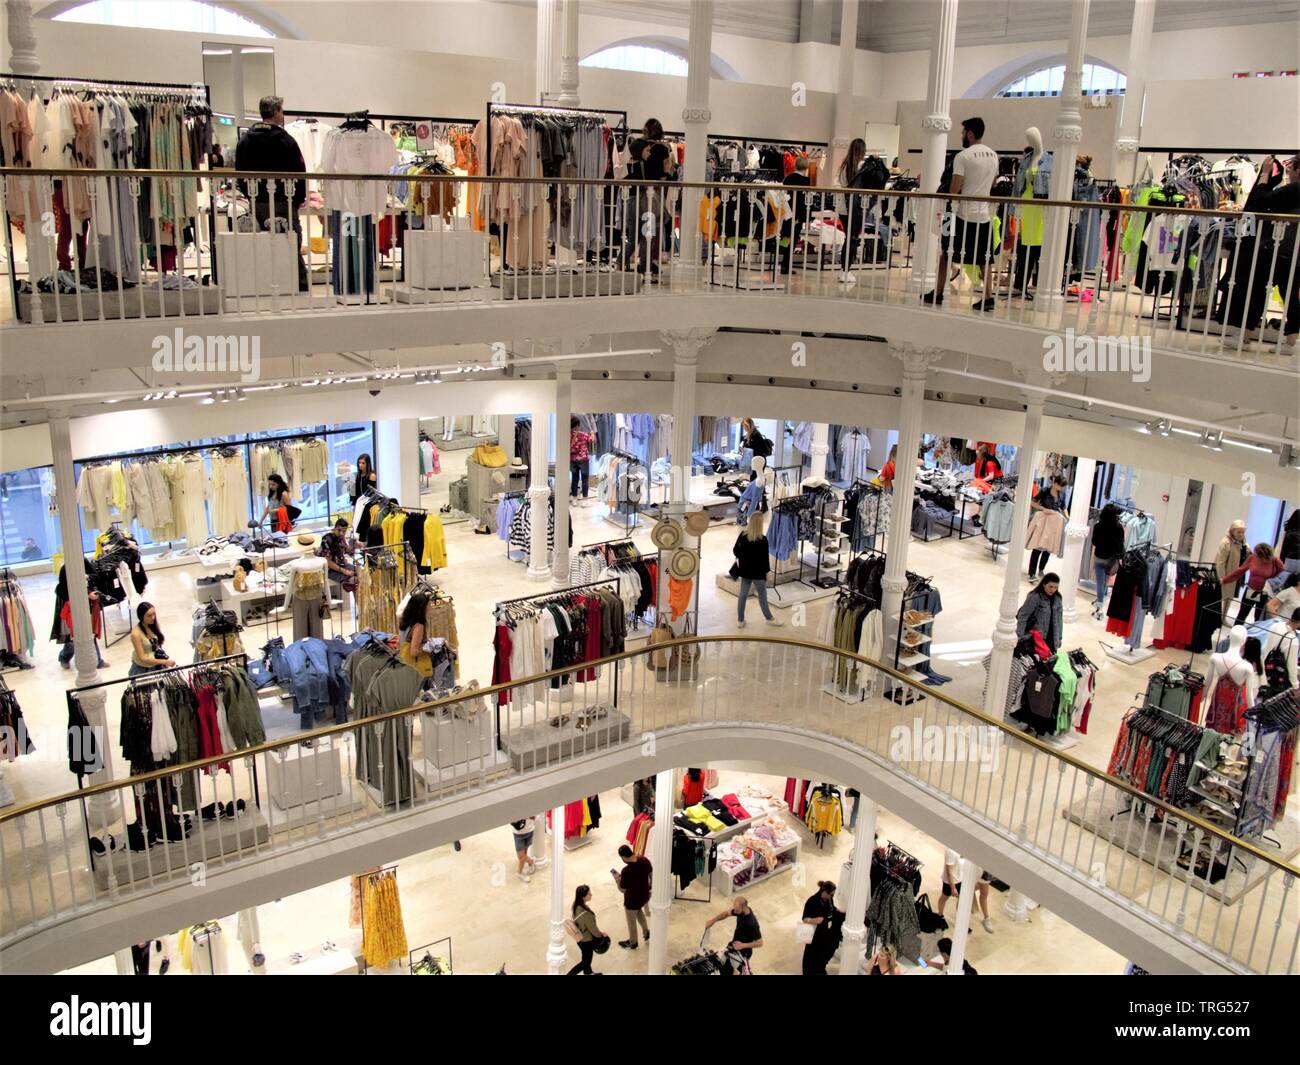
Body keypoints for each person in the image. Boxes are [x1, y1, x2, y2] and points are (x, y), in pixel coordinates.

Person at [923, 117, 999, 311]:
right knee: (985, 257)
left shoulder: (963, 156)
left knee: (945, 253)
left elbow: (954, 188)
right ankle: (989, 296)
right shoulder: (993, 156)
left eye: (963, 132)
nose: (962, 136)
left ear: (970, 134)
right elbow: (991, 184)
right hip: (984, 215)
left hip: (959, 215)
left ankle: (938, 292)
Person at [234, 94, 308, 291]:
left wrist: (251, 195)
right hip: (284, 200)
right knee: (290, 241)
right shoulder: (285, 141)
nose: (282, 115)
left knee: (263, 243)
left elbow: (240, 173)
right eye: (282, 111)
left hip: (257, 201)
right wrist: (298, 199)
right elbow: (300, 172)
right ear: (275, 112)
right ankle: (297, 285)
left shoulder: (246, 140)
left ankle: (268, 284)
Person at [635, 118, 676, 283]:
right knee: (651, 233)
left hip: (640, 193)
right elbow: (665, 173)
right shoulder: (662, 149)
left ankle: (645, 264)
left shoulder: (637, 146)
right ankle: (646, 268)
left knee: (646, 232)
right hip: (654, 194)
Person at [733, 512, 783, 628]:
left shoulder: (743, 536)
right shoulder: (763, 540)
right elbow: (764, 560)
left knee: (743, 594)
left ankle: (740, 620)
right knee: (762, 595)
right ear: (760, 524)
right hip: (758, 573)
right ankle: (769, 618)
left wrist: (743, 557)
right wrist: (767, 573)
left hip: (745, 570)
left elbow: (735, 550)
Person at [53, 568, 107, 669]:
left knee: (90, 634)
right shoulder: (66, 568)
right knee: (72, 638)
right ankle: (64, 657)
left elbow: (95, 575)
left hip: (86, 606)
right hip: (72, 610)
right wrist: (86, 595)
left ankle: (98, 661)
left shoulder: (83, 562)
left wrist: (87, 577)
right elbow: (63, 591)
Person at [1224, 543, 1286, 624]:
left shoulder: (1275, 561)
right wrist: (1225, 580)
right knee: (1242, 615)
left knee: (1258, 619)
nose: (1262, 560)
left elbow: (1283, 576)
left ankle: (1254, 636)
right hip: (1251, 590)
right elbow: (1240, 571)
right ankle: (1234, 634)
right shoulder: (1253, 557)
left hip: (1265, 593)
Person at [936, 849, 994, 931]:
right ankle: (940, 915)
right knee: (944, 897)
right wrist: (953, 887)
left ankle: (960, 923)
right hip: (951, 881)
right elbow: (949, 872)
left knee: (962, 901)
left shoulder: (965, 849)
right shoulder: (951, 851)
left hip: (961, 879)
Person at [1027, 474, 1068, 580]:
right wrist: (1042, 508)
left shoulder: (1062, 494)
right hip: (1044, 520)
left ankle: (1041, 569)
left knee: (1048, 548)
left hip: (1054, 522)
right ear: (1055, 483)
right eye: (1061, 486)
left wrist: (1068, 518)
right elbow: (1032, 503)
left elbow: (1063, 507)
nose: (1062, 488)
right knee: (1038, 547)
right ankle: (1031, 573)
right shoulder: (1045, 491)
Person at [704, 897, 763, 972]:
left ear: (744, 907)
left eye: (736, 910)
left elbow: (760, 943)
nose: (734, 911)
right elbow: (726, 914)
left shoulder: (752, 923)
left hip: (743, 952)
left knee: (743, 970)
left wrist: (742, 945)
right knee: (725, 966)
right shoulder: (741, 911)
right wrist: (712, 921)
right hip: (734, 946)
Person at [1090, 502, 1126, 620]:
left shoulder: (1098, 525)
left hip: (1099, 556)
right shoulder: (1119, 527)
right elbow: (1121, 544)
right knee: (1104, 581)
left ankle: (1100, 607)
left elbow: (1094, 542)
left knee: (1100, 583)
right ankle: (1100, 600)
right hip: (1111, 559)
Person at [800, 880, 843, 975]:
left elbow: (831, 909)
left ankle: (820, 968)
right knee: (811, 955)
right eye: (830, 894)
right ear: (824, 891)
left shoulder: (829, 899)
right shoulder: (812, 901)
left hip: (824, 932)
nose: (831, 896)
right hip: (814, 933)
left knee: (822, 954)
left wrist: (837, 911)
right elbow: (804, 919)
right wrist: (814, 920)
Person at [614, 844, 652, 949]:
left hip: (632, 901)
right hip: (644, 896)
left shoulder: (626, 871)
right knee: (639, 913)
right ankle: (647, 933)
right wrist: (650, 887)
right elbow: (651, 873)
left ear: (623, 857)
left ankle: (633, 942)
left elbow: (622, 889)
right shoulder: (644, 860)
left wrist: (617, 880)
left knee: (631, 922)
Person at [779, 154, 812, 274]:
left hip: (787, 211)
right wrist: (807, 218)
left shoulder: (788, 178)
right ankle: (785, 264)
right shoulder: (805, 181)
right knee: (793, 238)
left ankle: (784, 263)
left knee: (786, 236)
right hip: (797, 213)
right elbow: (805, 201)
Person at [1017, 572, 1063, 652]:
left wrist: (1059, 638)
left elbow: (1060, 620)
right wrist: (1020, 636)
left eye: (1056, 587)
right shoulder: (1035, 597)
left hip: (1052, 640)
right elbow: (1023, 616)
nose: (1053, 590)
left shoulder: (1058, 599)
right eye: (1050, 586)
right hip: (1036, 639)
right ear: (1044, 584)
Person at [567, 885, 606, 975]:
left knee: (586, 958)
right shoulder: (585, 914)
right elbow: (594, 930)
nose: (591, 894)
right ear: (583, 897)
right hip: (586, 941)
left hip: (580, 938)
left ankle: (588, 973)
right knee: (585, 962)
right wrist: (602, 934)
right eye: (588, 894)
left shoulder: (576, 905)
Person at [1215, 520, 1249, 622]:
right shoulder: (1226, 542)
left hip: (1237, 573)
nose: (1241, 534)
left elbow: (1246, 551)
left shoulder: (1243, 541)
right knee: (1224, 596)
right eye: (1239, 532)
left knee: (1230, 597)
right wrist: (1222, 577)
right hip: (1227, 574)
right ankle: (1219, 618)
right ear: (1232, 531)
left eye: (1243, 532)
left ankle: (1223, 617)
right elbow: (1220, 562)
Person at [129, 602, 174, 677]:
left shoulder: (154, 625)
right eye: (149, 615)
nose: (153, 617)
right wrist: (164, 661)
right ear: (141, 616)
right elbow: (142, 658)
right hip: (142, 670)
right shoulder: (136, 633)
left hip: (157, 665)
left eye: (154, 614)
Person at [397, 592, 434, 677]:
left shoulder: (404, 622)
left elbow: (398, 644)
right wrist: (429, 650)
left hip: (403, 665)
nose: (430, 608)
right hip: (416, 670)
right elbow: (414, 652)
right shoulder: (418, 627)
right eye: (428, 605)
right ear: (422, 608)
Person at [318, 518, 358, 595]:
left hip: (341, 564)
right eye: (339, 530)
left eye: (344, 531)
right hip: (329, 570)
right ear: (335, 528)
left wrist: (355, 545)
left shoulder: (340, 537)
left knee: (360, 572)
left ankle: (360, 604)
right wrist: (345, 571)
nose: (341, 533)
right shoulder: (326, 540)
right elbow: (327, 562)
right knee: (353, 580)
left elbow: (346, 550)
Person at [570, 416, 594, 500]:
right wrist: (592, 433)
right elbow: (592, 440)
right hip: (583, 460)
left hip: (573, 460)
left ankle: (574, 499)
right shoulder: (583, 435)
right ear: (578, 425)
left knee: (574, 479)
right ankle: (584, 499)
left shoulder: (567, 435)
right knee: (584, 480)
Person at [510, 816, 536, 883]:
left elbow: (535, 817)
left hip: (529, 830)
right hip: (518, 833)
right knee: (521, 856)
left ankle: (526, 865)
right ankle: (520, 871)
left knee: (524, 853)